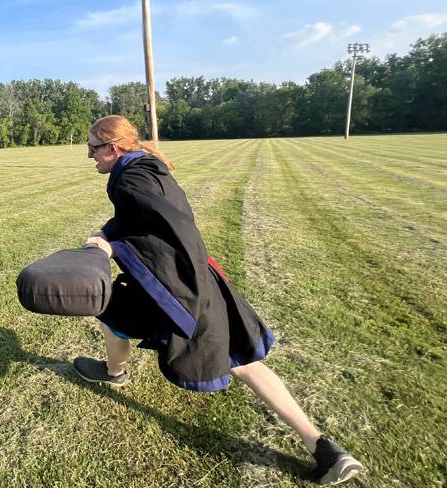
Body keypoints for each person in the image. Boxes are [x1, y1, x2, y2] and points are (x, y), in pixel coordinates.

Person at [74, 116, 363, 485]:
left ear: (113, 149)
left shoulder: (133, 177)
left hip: (176, 289)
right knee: (241, 359)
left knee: (112, 310)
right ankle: (325, 448)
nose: (90, 156)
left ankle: (115, 374)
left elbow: (166, 233)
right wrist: (110, 229)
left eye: (93, 148)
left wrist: (114, 248)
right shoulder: (145, 169)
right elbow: (143, 217)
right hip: (196, 278)